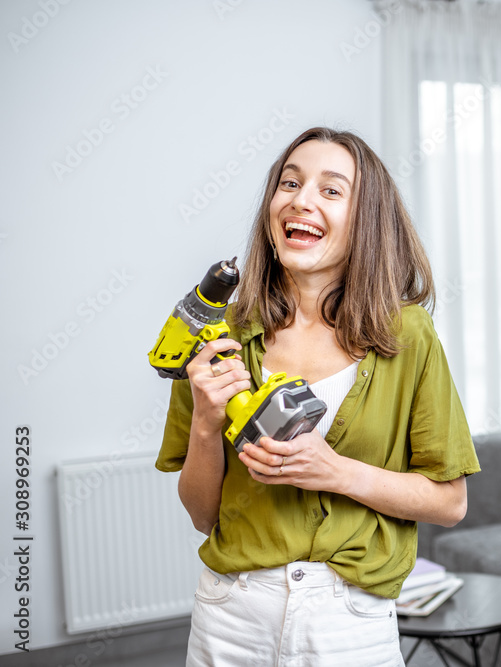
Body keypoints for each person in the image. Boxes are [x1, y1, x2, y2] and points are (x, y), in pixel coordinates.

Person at [155, 127, 480, 666]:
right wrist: (208, 425)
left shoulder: (408, 335)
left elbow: (450, 503)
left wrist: (335, 471)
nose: (300, 199)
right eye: (289, 183)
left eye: (331, 190)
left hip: (349, 623)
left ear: (367, 221)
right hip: (231, 615)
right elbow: (201, 513)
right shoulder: (220, 334)